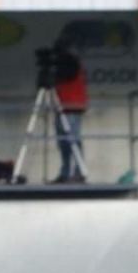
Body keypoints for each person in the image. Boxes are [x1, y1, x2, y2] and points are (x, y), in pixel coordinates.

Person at [50, 35, 88, 183]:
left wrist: (55, 70)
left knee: (73, 139)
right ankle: (65, 173)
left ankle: (79, 172)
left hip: (72, 106)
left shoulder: (71, 61)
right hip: (63, 106)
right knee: (63, 142)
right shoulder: (65, 62)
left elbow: (64, 75)